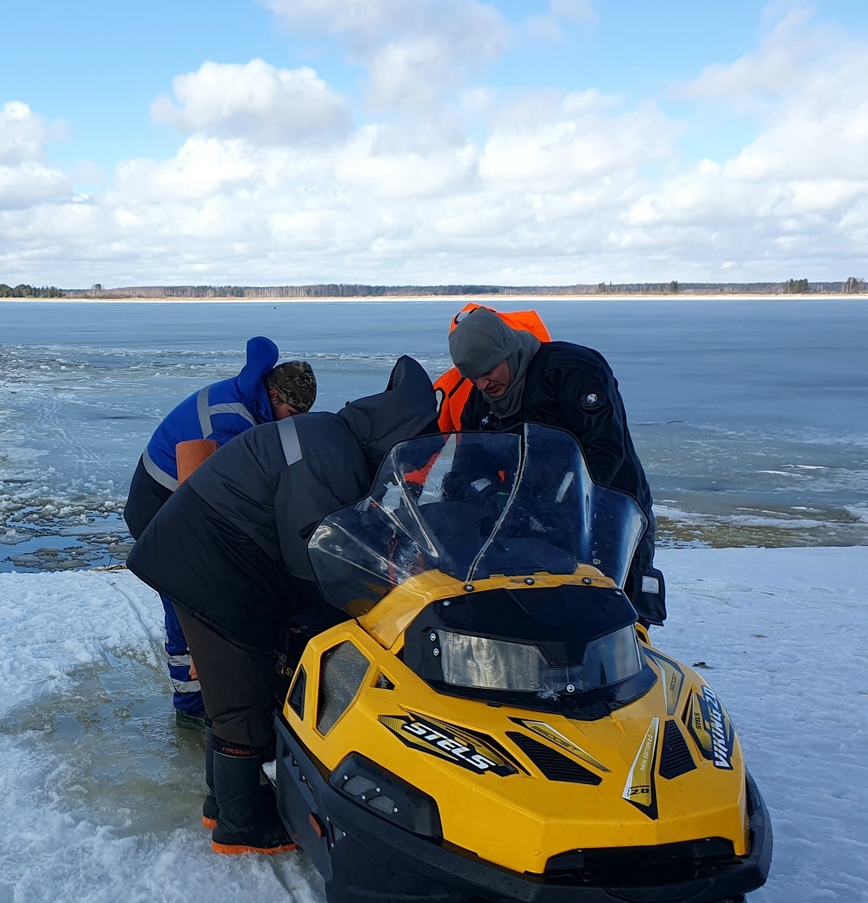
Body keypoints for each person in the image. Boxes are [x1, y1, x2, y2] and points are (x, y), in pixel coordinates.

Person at [126, 356, 437, 855]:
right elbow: (310, 550)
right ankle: (241, 825)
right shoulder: (330, 456)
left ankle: (224, 803)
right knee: (242, 690)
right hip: (208, 560)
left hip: (202, 551)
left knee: (233, 689)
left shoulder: (334, 439)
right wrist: (347, 611)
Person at [123, 337, 317, 729]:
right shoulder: (231, 422)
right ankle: (192, 706)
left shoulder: (254, 401)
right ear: (274, 394)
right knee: (190, 597)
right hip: (160, 502)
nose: (289, 421)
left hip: (182, 491)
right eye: (289, 412)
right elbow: (220, 500)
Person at [443, 305, 666, 625]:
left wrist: (556, 505)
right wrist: (480, 501)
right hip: (530, 525)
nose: (482, 385)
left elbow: (604, 452)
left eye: (487, 371)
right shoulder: (481, 401)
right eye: (472, 377)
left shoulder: (573, 372)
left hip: (610, 514)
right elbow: (468, 467)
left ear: (506, 351)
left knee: (614, 619)